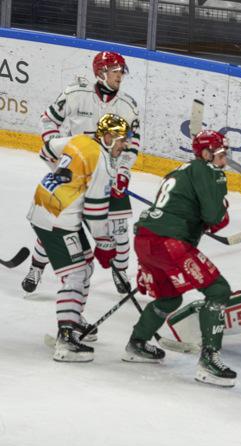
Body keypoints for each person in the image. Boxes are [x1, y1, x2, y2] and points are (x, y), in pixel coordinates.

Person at [23, 51, 141, 295]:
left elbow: (132, 145)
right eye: (115, 71)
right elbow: (48, 121)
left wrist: (123, 173)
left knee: (118, 230)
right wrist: (59, 158)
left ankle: (120, 272)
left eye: (122, 71)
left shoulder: (127, 107)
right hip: (74, 176)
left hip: (108, 177)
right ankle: (36, 266)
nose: (120, 76)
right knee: (57, 226)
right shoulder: (76, 95)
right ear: (101, 72)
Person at [127, 130, 235, 387]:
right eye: (220, 155)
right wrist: (221, 209)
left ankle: (137, 343)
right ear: (206, 154)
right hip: (169, 242)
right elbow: (213, 216)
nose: (224, 161)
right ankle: (209, 359)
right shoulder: (208, 171)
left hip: (146, 239)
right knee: (218, 290)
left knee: (169, 297)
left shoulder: (180, 170)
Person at [26, 114, 131, 362]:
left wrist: (68, 176)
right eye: (120, 140)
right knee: (75, 273)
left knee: (85, 265)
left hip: (45, 204)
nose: (123, 145)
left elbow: (46, 150)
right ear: (107, 137)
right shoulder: (102, 163)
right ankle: (65, 338)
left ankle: (73, 318)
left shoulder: (79, 140)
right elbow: (94, 213)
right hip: (57, 218)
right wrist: (105, 244)